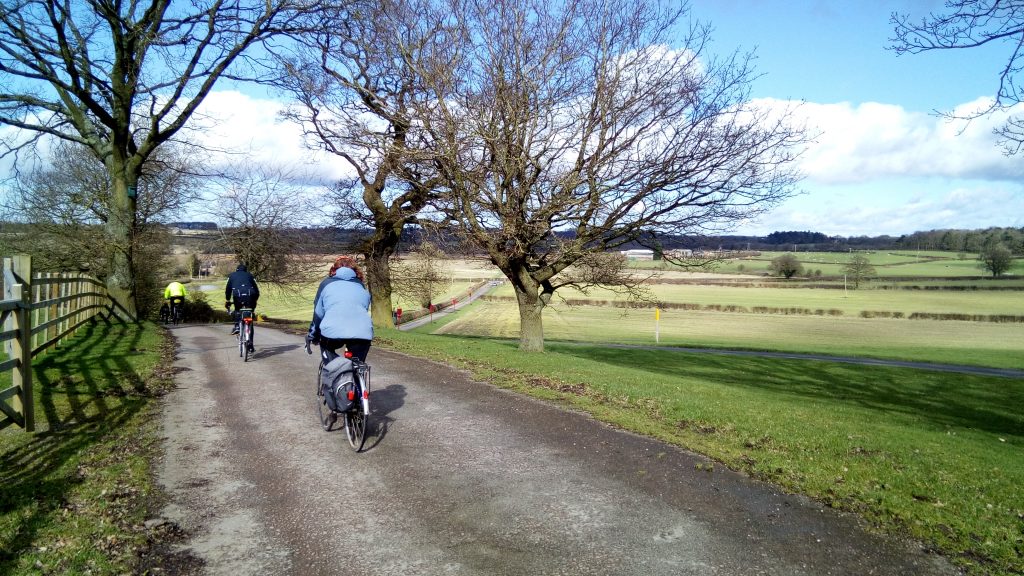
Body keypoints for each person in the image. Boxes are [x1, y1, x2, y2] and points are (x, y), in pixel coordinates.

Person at [306, 256, 373, 362]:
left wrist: (313, 335)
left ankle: (336, 372)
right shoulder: (360, 285)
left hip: (331, 333)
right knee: (356, 364)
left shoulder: (326, 284)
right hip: (363, 332)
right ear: (356, 271)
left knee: (331, 363)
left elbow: (318, 314)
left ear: (333, 270)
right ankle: (357, 376)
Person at [224, 263, 260, 343]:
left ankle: (237, 326)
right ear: (245, 270)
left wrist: (228, 300)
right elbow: (257, 290)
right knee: (249, 319)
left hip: (238, 295)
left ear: (236, 270)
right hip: (251, 295)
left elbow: (228, 290)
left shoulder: (231, 276)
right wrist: (255, 300)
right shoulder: (250, 275)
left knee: (237, 310)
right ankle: (250, 346)